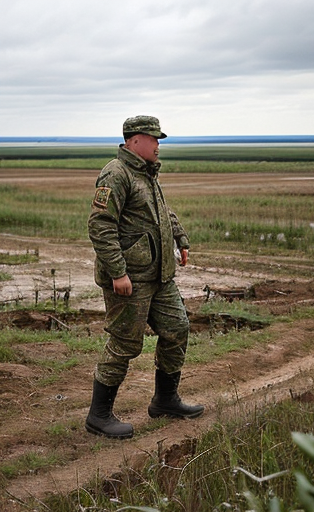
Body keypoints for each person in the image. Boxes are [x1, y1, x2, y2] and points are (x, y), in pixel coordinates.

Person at [85, 115, 204, 439]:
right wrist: (118, 272)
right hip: (131, 280)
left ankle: (165, 400)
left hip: (159, 275)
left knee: (176, 328)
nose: (158, 145)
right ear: (135, 140)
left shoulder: (147, 174)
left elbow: (161, 212)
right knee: (124, 343)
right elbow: (101, 225)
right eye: (154, 139)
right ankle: (99, 416)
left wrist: (180, 239)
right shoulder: (116, 173)